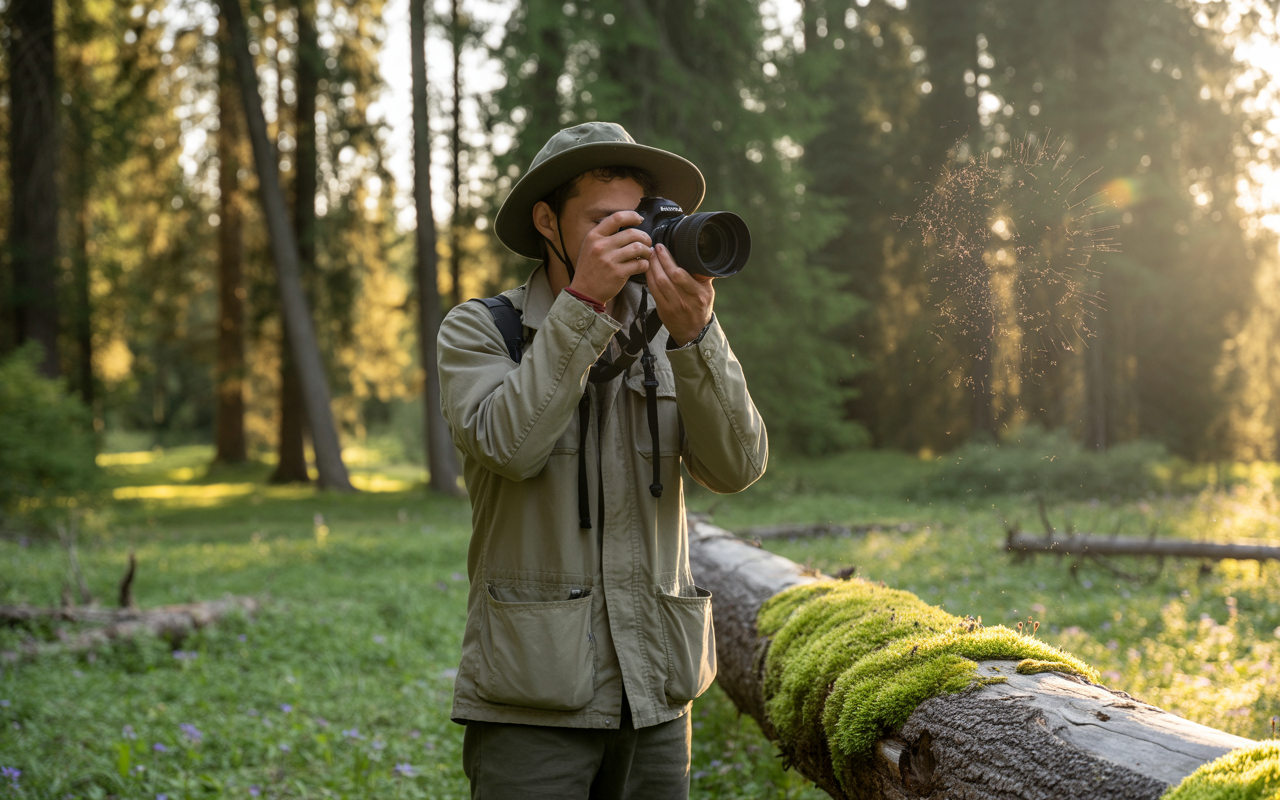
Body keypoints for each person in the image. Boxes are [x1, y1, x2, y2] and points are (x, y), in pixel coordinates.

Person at [437, 121, 768, 799]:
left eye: (638, 220)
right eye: (601, 222)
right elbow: (509, 444)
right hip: (534, 705)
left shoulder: (669, 335)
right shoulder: (482, 331)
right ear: (547, 222)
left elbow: (738, 465)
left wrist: (698, 336)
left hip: (656, 698)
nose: (629, 239)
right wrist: (583, 307)